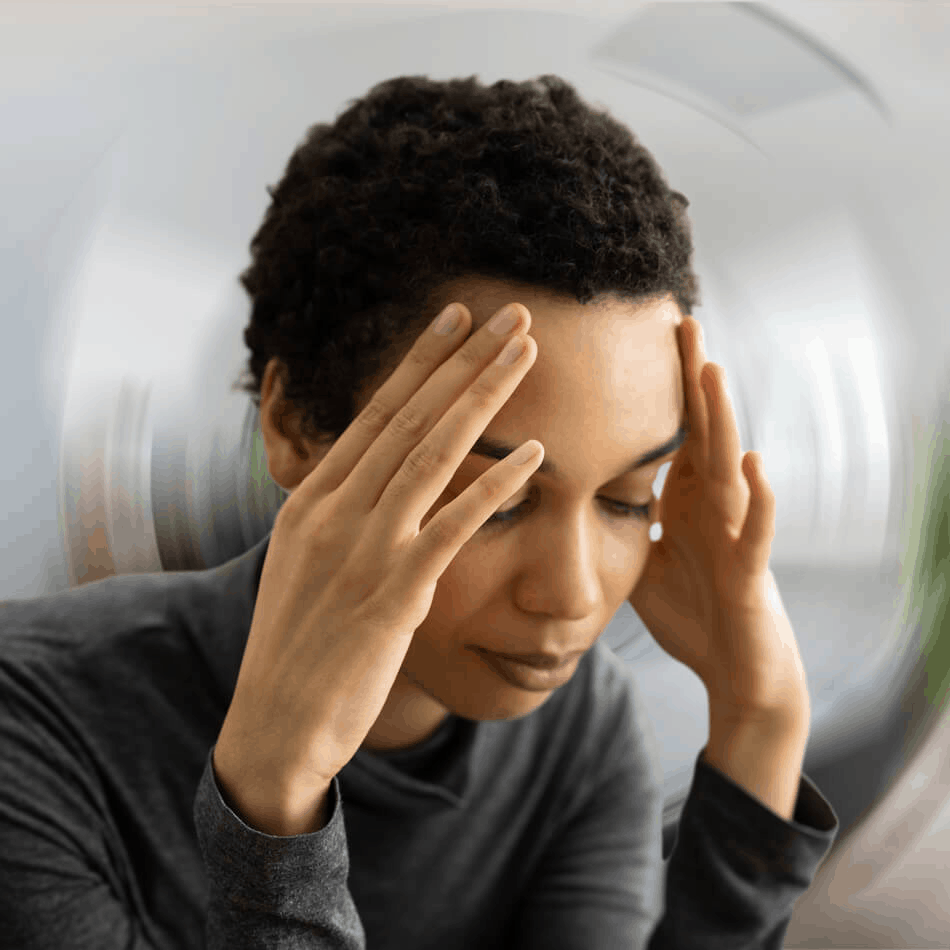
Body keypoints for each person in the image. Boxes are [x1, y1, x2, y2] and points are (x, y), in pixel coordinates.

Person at [0, 74, 838, 950]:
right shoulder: (30, 726)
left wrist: (761, 719)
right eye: (497, 501)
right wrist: (272, 804)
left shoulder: (580, 733)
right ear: (291, 424)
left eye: (627, 501)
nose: (572, 595)